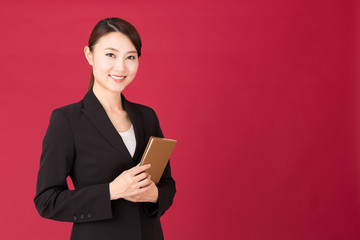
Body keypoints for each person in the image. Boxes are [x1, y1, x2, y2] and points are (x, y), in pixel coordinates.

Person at [34, 17, 176, 240]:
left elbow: (168, 185)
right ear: (89, 56)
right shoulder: (66, 120)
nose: (121, 66)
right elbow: (47, 201)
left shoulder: (147, 116)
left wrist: (154, 194)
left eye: (130, 57)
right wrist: (112, 191)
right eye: (111, 55)